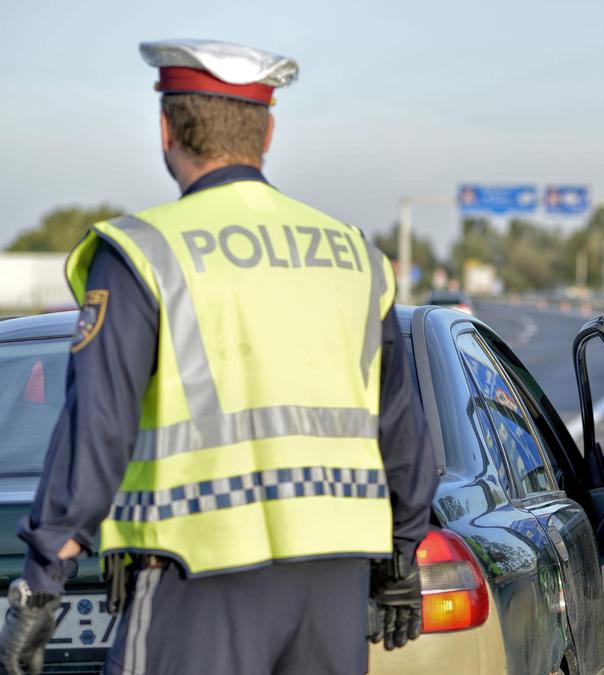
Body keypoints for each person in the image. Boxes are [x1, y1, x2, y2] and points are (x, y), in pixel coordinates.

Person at [0, 39, 437, 675]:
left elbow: (97, 426)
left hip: (194, 575)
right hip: (334, 582)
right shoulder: (355, 258)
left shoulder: (144, 252)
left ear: (165, 129)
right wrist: (401, 557)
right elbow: (400, 426)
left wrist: (42, 580)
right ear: (269, 131)